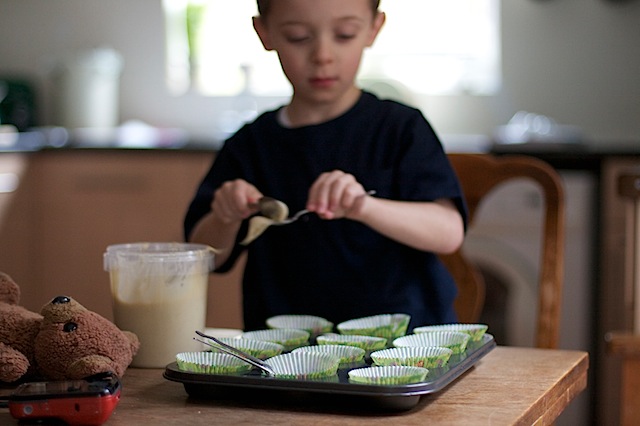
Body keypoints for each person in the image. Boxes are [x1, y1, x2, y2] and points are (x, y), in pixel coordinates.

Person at [184, 0, 467, 331]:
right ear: (264, 33)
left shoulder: (400, 128)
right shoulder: (250, 146)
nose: (322, 55)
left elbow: (448, 232)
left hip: (403, 348)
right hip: (286, 353)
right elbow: (203, 257)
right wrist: (225, 217)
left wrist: (364, 206)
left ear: (374, 28)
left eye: (344, 35)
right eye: (298, 37)